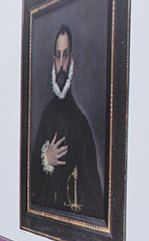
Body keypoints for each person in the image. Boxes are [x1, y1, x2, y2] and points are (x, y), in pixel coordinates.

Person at [30, 24, 103, 218]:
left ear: (71, 59)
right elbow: (31, 180)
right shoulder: (47, 114)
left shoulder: (80, 122)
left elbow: (94, 193)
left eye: (65, 55)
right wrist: (46, 159)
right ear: (54, 61)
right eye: (58, 56)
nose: (61, 64)